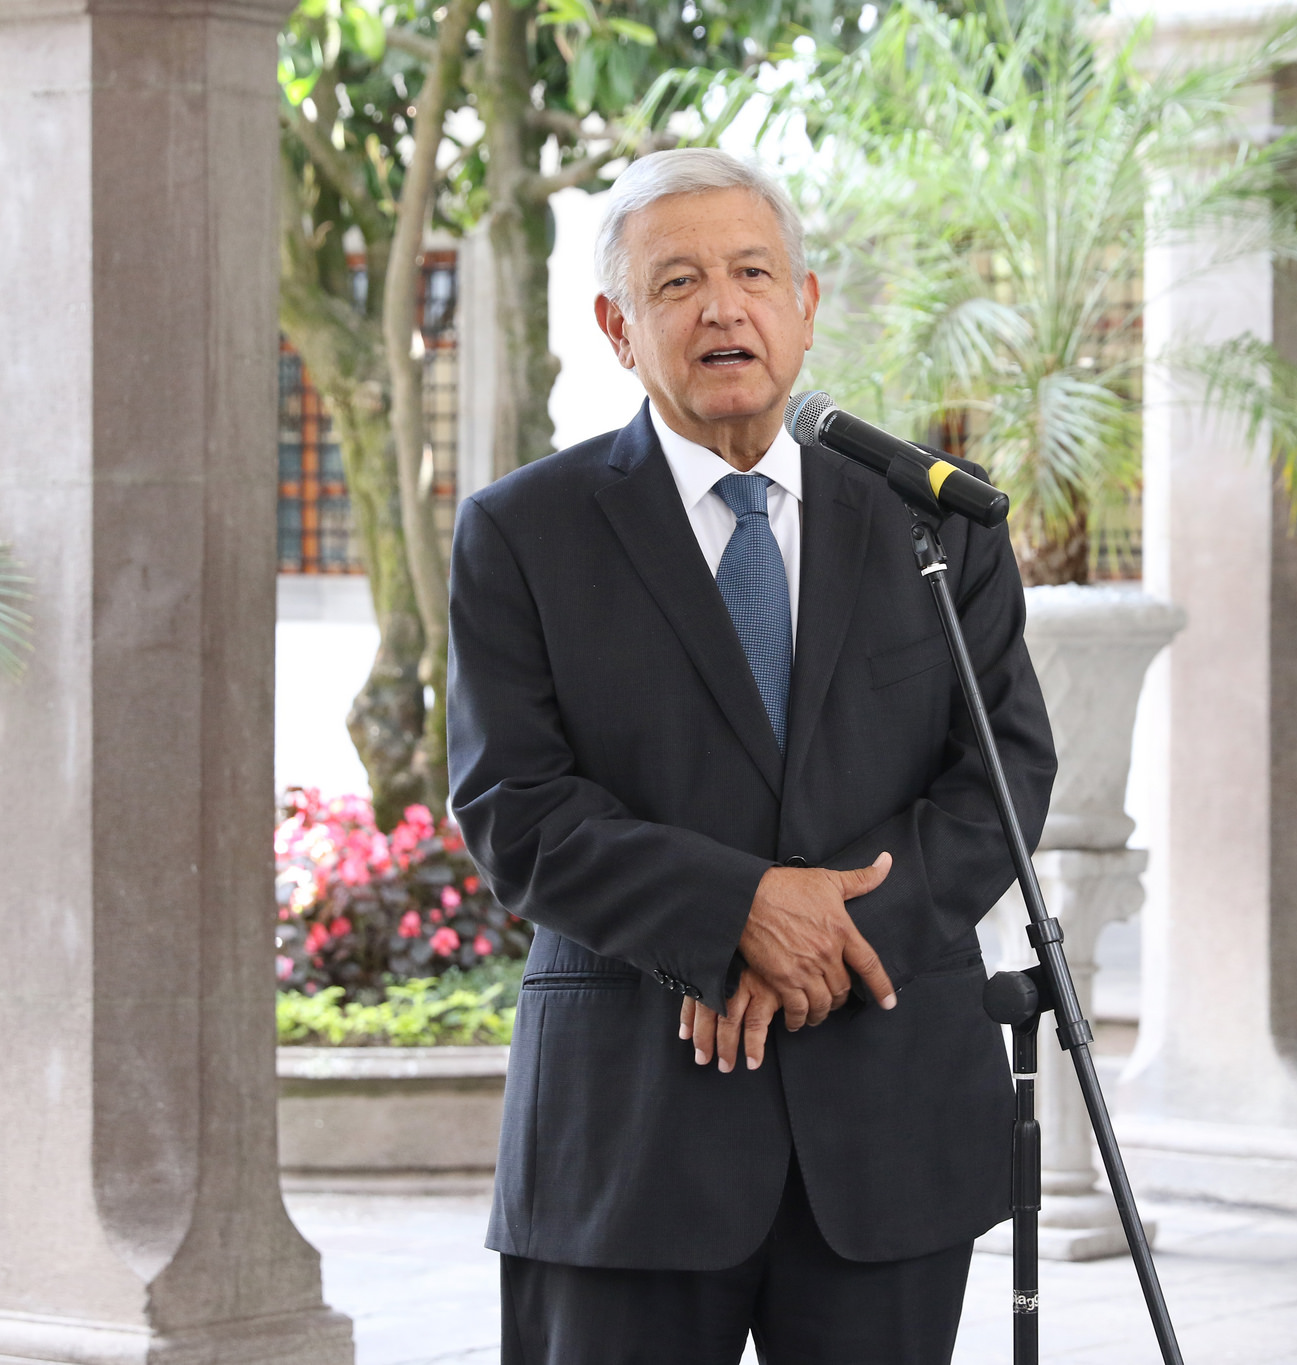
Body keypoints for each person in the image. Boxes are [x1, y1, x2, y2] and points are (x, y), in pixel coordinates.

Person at [446, 147, 1056, 1365]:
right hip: (630, 1136)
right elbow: (514, 806)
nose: (722, 308)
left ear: (805, 305)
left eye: (753, 273)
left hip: (888, 1124)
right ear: (618, 328)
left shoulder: (932, 519)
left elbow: (1000, 774)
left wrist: (826, 939)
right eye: (677, 283)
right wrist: (734, 914)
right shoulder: (523, 532)